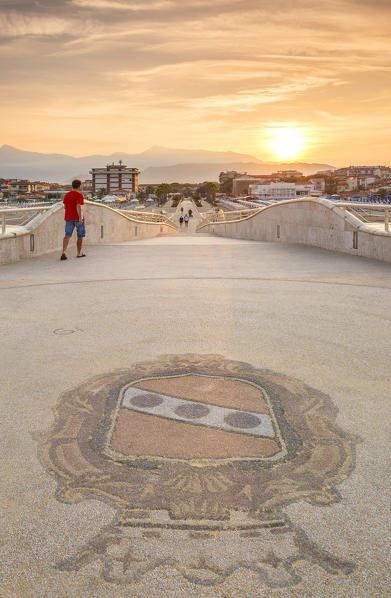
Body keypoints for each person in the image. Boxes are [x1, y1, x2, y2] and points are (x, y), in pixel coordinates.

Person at [61, 179, 86, 260]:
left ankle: (64, 252)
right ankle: (79, 253)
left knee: (67, 235)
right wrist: (80, 218)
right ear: (79, 186)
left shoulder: (67, 195)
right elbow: (78, 206)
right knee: (80, 236)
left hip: (68, 218)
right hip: (77, 218)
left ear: (72, 185)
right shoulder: (79, 195)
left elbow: (65, 206)